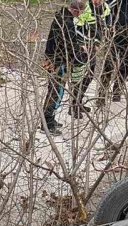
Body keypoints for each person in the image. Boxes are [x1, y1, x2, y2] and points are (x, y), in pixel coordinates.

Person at [42, 0, 90, 135]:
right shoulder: (67, 23)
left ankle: (49, 118)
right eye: (81, 12)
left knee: (55, 91)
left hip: (53, 58)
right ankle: (47, 123)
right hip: (57, 62)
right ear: (76, 11)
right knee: (56, 92)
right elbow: (68, 46)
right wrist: (81, 56)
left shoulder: (62, 17)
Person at [68, 0, 115, 117]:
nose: (97, 1)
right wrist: (84, 44)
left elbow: (100, 28)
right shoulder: (84, 8)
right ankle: (73, 105)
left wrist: (97, 42)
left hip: (92, 46)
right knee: (79, 76)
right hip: (81, 48)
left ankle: (78, 101)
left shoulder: (105, 9)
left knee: (89, 75)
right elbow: (75, 29)